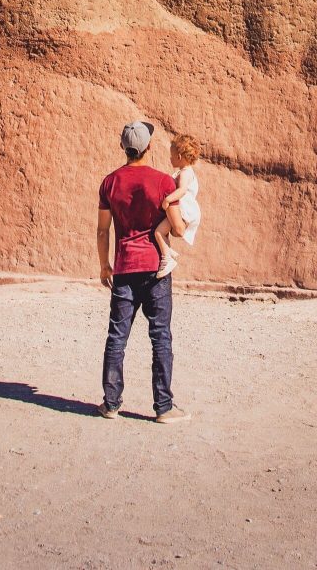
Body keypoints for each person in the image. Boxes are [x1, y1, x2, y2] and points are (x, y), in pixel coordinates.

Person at [96, 119, 188, 422]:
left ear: (123, 147)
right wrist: (184, 225)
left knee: (117, 336)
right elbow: (175, 226)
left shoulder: (109, 183)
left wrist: (104, 265)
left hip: (123, 267)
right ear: (149, 147)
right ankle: (164, 408)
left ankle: (111, 404)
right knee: (160, 337)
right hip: (155, 270)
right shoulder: (163, 181)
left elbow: (102, 231)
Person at [153, 133, 203, 278]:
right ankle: (168, 251)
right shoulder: (183, 172)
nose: (170, 158)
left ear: (179, 157)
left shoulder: (186, 173)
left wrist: (168, 200)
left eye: (171, 155)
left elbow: (181, 190)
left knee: (158, 232)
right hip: (182, 210)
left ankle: (167, 258)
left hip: (184, 210)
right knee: (160, 232)